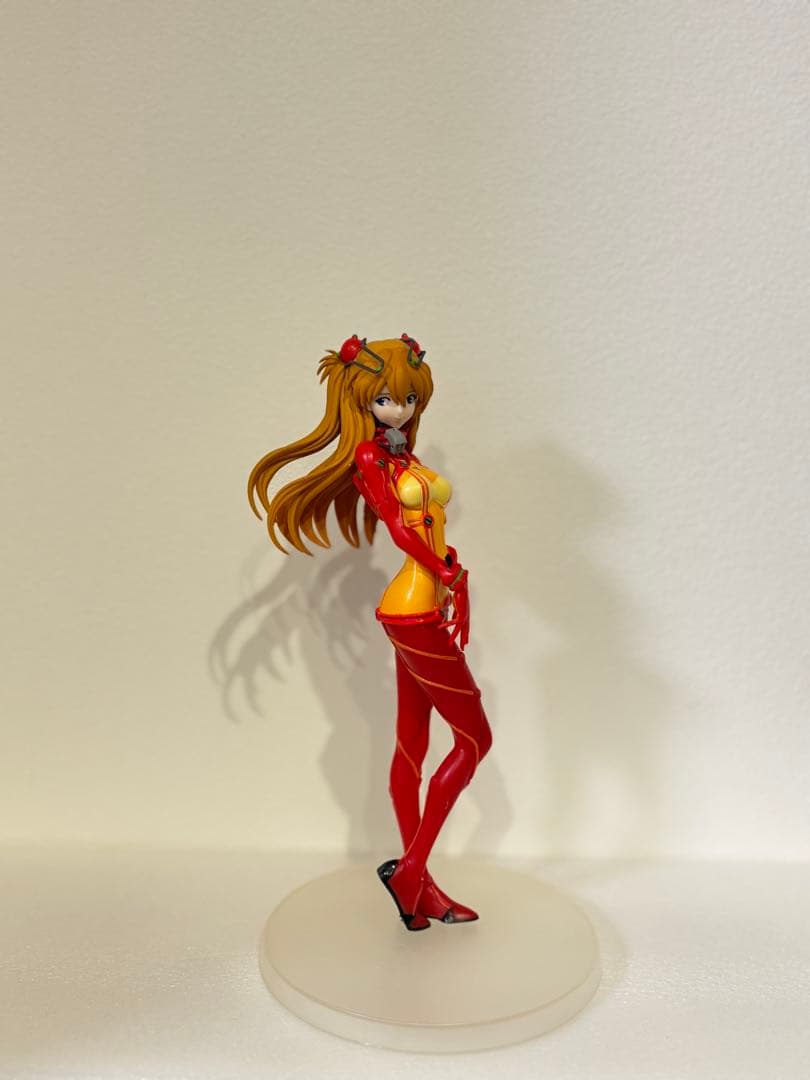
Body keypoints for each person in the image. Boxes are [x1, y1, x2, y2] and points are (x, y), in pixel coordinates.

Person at [248, 334, 492, 931]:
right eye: (386, 399)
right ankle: (411, 871)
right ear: (361, 400)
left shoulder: (405, 457)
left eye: (409, 399)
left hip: (422, 601)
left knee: (412, 742)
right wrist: (442, 569)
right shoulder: (369, 459)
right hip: (413, 607)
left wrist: (446, 558)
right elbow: (400, 529)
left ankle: (420, 889)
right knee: (474, 740)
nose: (399, 410)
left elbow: (426, 526)